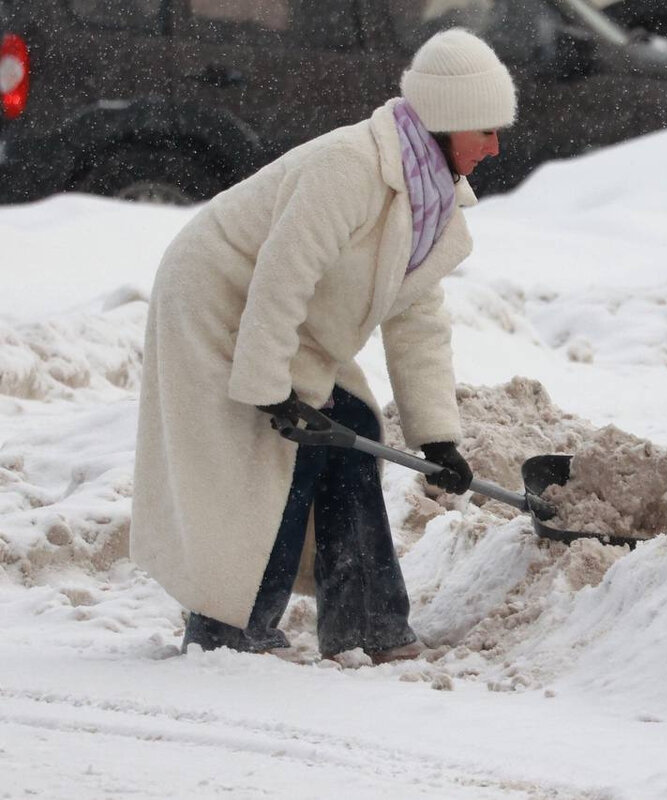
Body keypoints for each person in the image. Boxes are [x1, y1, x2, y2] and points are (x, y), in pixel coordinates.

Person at [129, 28, 515, 664]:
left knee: (350, 422)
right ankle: (230, 628)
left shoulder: (432, 200)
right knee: (274, 458)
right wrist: (268, 389)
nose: (496, 147)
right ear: (448, 122)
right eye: (487, 130)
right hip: (215, 298)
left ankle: (368, 624)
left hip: (277, 316)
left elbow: (418, 319)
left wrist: (436, 435)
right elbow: (282, 275)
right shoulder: (351, 167)